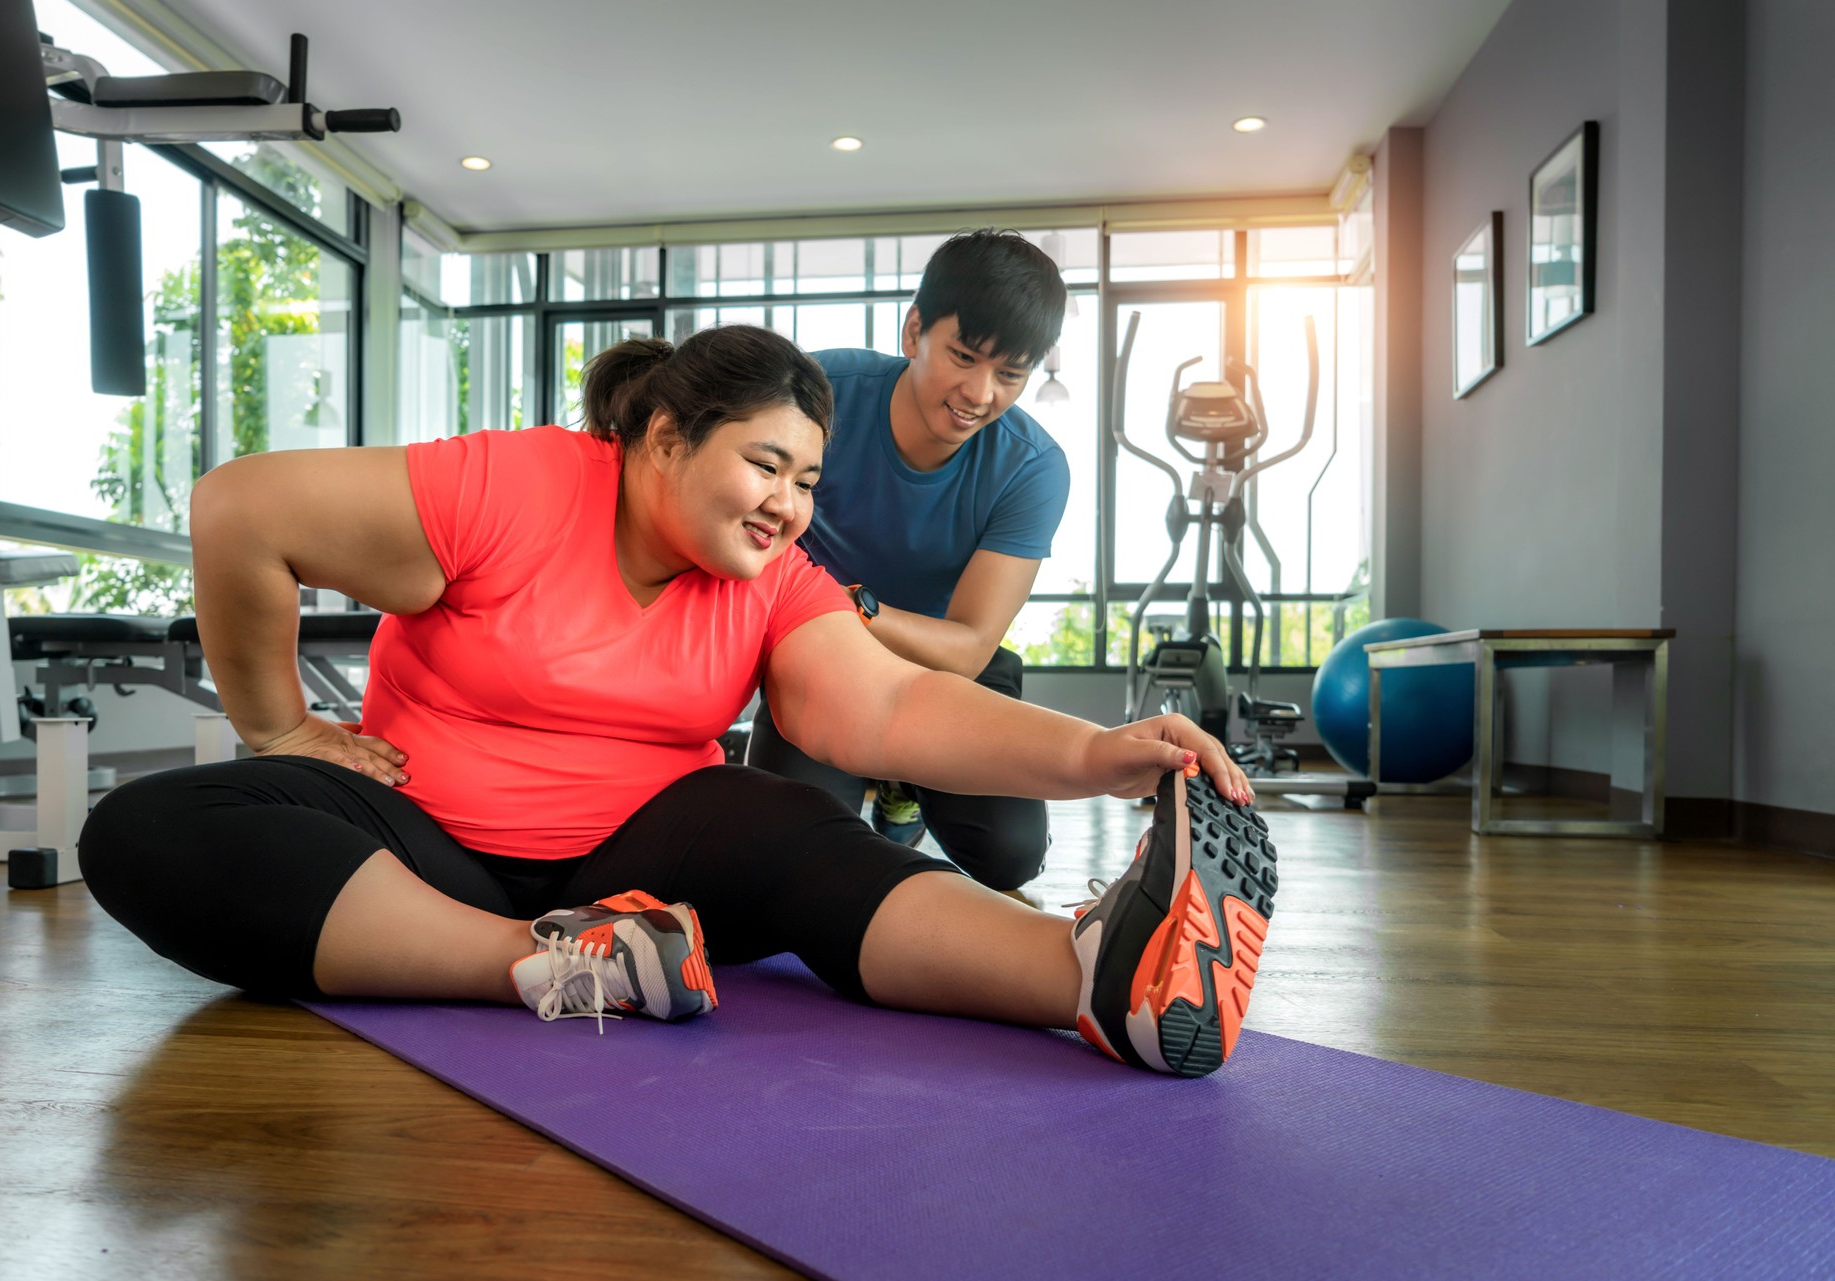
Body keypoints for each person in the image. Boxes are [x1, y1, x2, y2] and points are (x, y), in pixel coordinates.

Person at [78, 324, 1273, 1079]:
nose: (789, 505)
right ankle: (544, 964)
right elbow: (242, 508)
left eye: (807, 481)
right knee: (144, 829)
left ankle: (1089, 976)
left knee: (795, 827)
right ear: (660, 437)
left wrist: (1099, 754)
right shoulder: (517, 484)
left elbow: (896, 712)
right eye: (765, 466)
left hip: (647, 859)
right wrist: (279, 728)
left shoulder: (774, 582)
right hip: (423, 846)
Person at [748, 229, 1067, 893]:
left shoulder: (1033, 468)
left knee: (1012, 855)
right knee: (784, 850)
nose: (980, 392)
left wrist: (852, 605)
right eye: (963, 355)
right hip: (823, 658)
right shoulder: (818, 394)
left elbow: (971, 646)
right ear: (914, 329)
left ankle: (905, 780)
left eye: (1010, 374)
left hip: (945, 665)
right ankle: (886, 771)